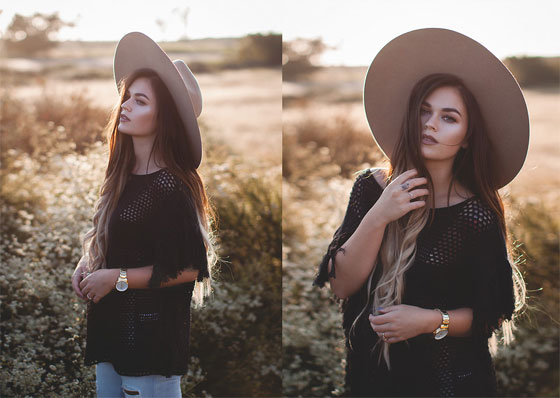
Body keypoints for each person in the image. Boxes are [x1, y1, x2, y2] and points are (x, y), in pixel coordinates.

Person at [313, 28, 529, 397]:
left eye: (449, 117)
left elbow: (490, 314)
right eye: (424, 111)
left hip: (450, 382)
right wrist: (380, 214)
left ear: (468, 136)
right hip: (373, 379)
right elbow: (341, 284)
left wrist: (429, 321)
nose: (430, 124)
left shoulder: (476, 215)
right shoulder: (372, 188)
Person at [70, 32, 215, 397]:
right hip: (113, 333)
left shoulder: (171, 186)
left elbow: (189, 268)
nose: (125, 106)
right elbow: (123, 242)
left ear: (162, 117)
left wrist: (114, 278)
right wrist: (89, 264)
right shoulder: (122, 176)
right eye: (126, 98)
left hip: (151, 341)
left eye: (140, 100)